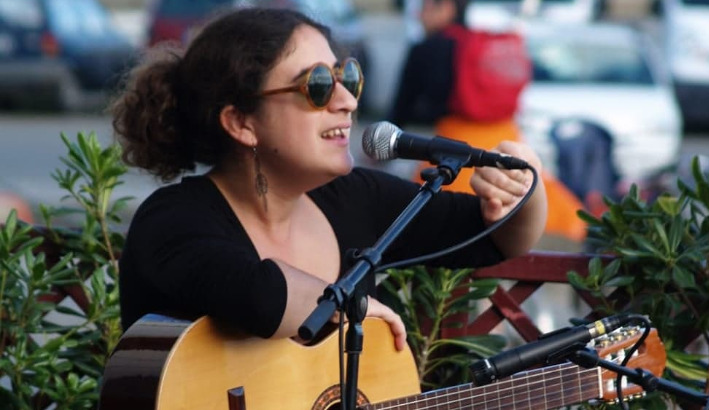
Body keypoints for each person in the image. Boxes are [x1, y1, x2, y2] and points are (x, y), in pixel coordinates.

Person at [111, 7, 547, 352]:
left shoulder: (354, 197)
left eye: (346, 77)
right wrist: (349, 306)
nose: (346, 101)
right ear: (241, 122)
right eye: (317, 86)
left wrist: (524, 186)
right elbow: (256, 295)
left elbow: (495, 238)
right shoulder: (171, 221)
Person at [390, 0, 588, 243]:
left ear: (447, 8)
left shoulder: (427, 48)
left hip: (456, 139)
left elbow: (402, 105)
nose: (418, 15)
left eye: (424, 8)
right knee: (517, 195)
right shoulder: (479, 42)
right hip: (504, 134)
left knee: (440, 221)